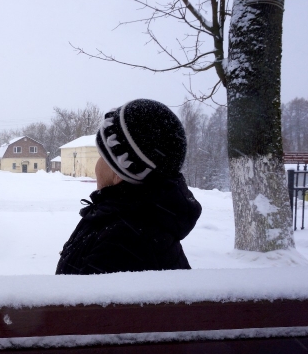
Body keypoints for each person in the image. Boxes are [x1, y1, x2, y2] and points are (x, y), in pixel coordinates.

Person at [56, 99, 202, 275]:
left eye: (102, 158)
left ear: (119, 173)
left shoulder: (123, 242)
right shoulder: (133, 220)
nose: (97, 165)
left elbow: (77, 298)